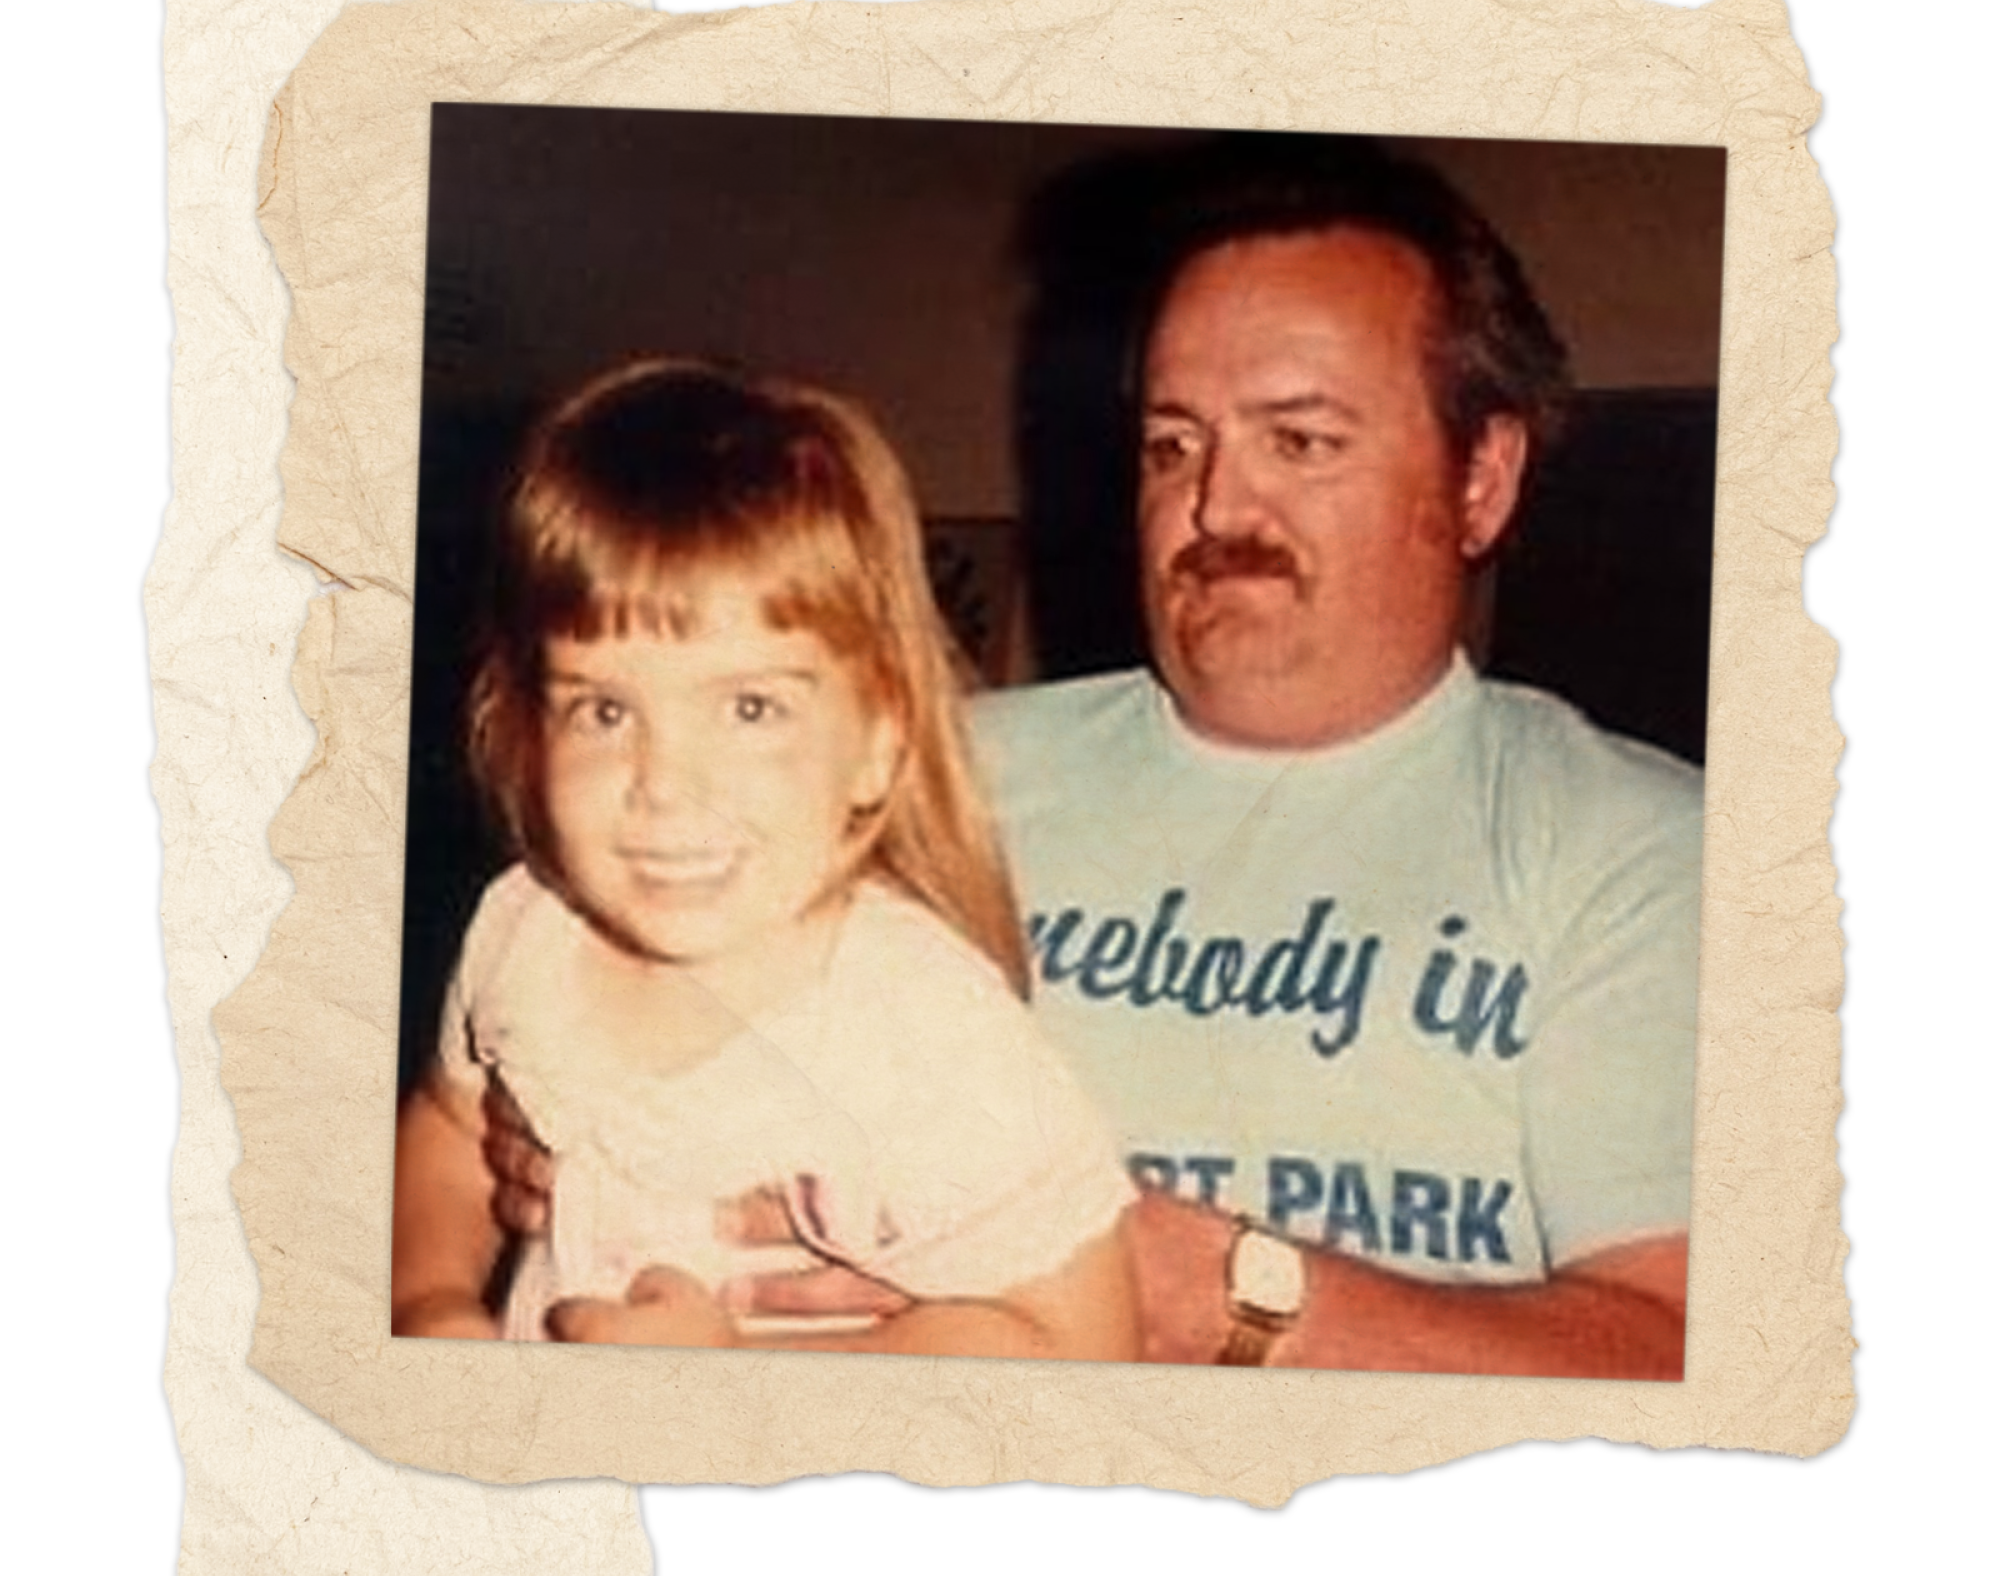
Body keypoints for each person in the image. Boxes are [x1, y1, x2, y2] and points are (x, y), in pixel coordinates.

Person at [485, 138, 1702, 1380]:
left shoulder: (1642, 847)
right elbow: (606, 1000)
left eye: (1299, 439)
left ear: (1481, 477)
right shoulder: (915, 774)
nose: (1215, 506)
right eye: (1172, 444)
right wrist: (559, 1114)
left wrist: (1234, 1299)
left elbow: (1685, 1351)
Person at [392, 359, 1137, 1360]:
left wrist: (745, 1388)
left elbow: (1078, 1347)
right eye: (604, 709)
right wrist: (429, 1300)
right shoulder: (522, 927)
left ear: (876, 737)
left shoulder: (934, 1036)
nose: (664, 782)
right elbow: (450, 1131)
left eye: (750, 708)